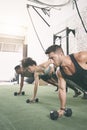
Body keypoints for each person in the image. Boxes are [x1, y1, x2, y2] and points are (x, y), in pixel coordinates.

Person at [45, 44, 87, 117]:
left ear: (61, 54)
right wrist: (62, 108)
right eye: (49, 59)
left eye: (52, 58)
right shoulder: (60, 72)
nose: (51, 62)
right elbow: (62, 89)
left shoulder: (81, 57)